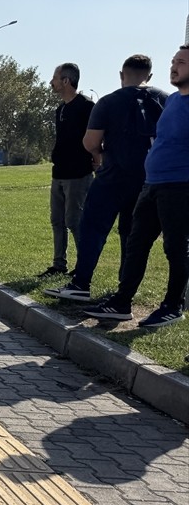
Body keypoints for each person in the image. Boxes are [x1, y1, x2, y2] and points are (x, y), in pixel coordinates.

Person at [44, 55, 168, 302]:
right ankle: (125, 288)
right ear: (150, 76)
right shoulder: (166, 100)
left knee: (93, 227)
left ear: (122, 75)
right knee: (133, 234)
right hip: (147, 178)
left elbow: (90, 142)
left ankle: (81, 283)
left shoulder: (109, 101)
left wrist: (100, 153)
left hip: (112, 175)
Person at [83, 46, 188, 327]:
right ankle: (122, 301)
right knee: (135, 243)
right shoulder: (174, 101)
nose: (174, 66)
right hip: (152, 184)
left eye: (181, 62)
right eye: (173, 61)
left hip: (180, 187)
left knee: (176, 248)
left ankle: (173, 305)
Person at [39, 63, 96, 278]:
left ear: (66, 81)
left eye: (55, 78)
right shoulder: (60, 109)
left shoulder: (86, 106)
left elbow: (96, 137)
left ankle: (84, 267)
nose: (51, 82)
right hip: (59, 173)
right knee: (57, 220)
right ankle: (58, 265)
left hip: (78, 174)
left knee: (74, 221)